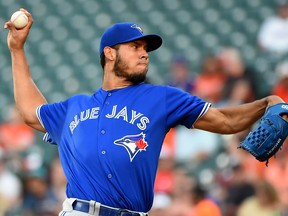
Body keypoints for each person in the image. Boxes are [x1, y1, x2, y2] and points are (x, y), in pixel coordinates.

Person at [4, 8, 287, 216]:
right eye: (135, 46)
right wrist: (17, 49)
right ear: (110, 53)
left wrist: (264, 104)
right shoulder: (76, 106)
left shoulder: (161, 98)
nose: (144, 53)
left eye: (146, 49)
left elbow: (224, 120)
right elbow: (32, 112)